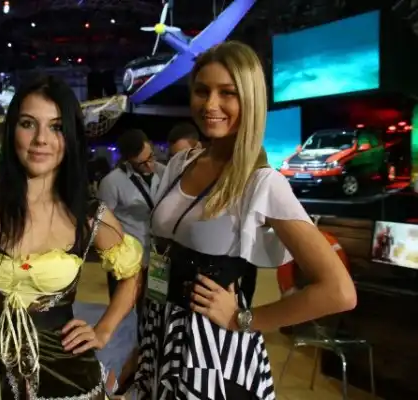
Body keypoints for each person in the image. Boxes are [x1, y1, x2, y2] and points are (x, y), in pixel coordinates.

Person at [135, 41, 357, 400]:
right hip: (158, 334)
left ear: (250, 100)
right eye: (202, 91)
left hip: (213, 354)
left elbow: (339, 291)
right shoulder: (180, 164)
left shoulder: (262, 183)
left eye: (228, 93)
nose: (210, 105)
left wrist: (245, 319)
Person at [0, 75, 143, 400]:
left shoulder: (90, 216)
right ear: (11, 131)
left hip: (71, 382)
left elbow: (132, 273)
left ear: (71, 137)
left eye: (56, 127)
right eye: (28, 124)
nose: (41, 139)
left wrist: (103, 330)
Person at [98, 129, 166, 298]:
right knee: (121, 307)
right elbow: (102, 223)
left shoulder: (165, 173)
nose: (150, 165)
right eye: (142, 163)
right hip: (128, 260)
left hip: (158, 258)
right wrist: (116, 257)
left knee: (153, 305)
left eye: (151, 157)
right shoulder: (111, 182)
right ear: (128, 160)